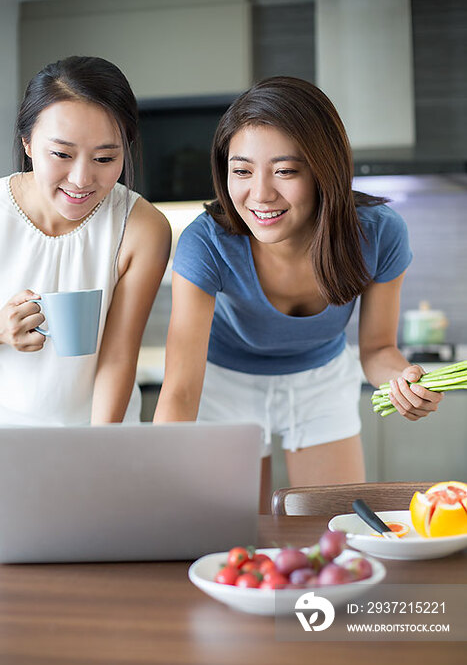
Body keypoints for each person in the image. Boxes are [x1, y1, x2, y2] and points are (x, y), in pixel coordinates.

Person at [153, 76, 442, 511]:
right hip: (225, 382)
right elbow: (179, 388)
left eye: (285, 170)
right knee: (234, 534)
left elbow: (379, 349)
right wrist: (156, 477)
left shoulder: (379, 234)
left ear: (323, 169)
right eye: (242, 170)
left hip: (320, 380)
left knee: (338, 528)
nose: (260, 194)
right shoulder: (206, 242)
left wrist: (403, 383)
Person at [0, 56, 171, 426]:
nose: (81, 179)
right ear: (27, 142)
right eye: (61, 154)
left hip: (96, 434)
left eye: (105, 158)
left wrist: (97, 454)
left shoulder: (141, 227)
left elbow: (119, 356)